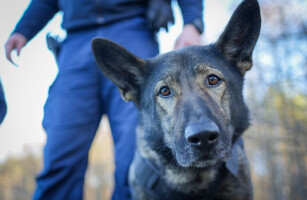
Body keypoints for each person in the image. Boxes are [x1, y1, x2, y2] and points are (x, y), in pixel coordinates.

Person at [4, 0, 203, 199]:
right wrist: (23, 30)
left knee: (135, 154)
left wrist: (192, 23)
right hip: (75, 43)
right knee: (60, 149)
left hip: (133, 32)